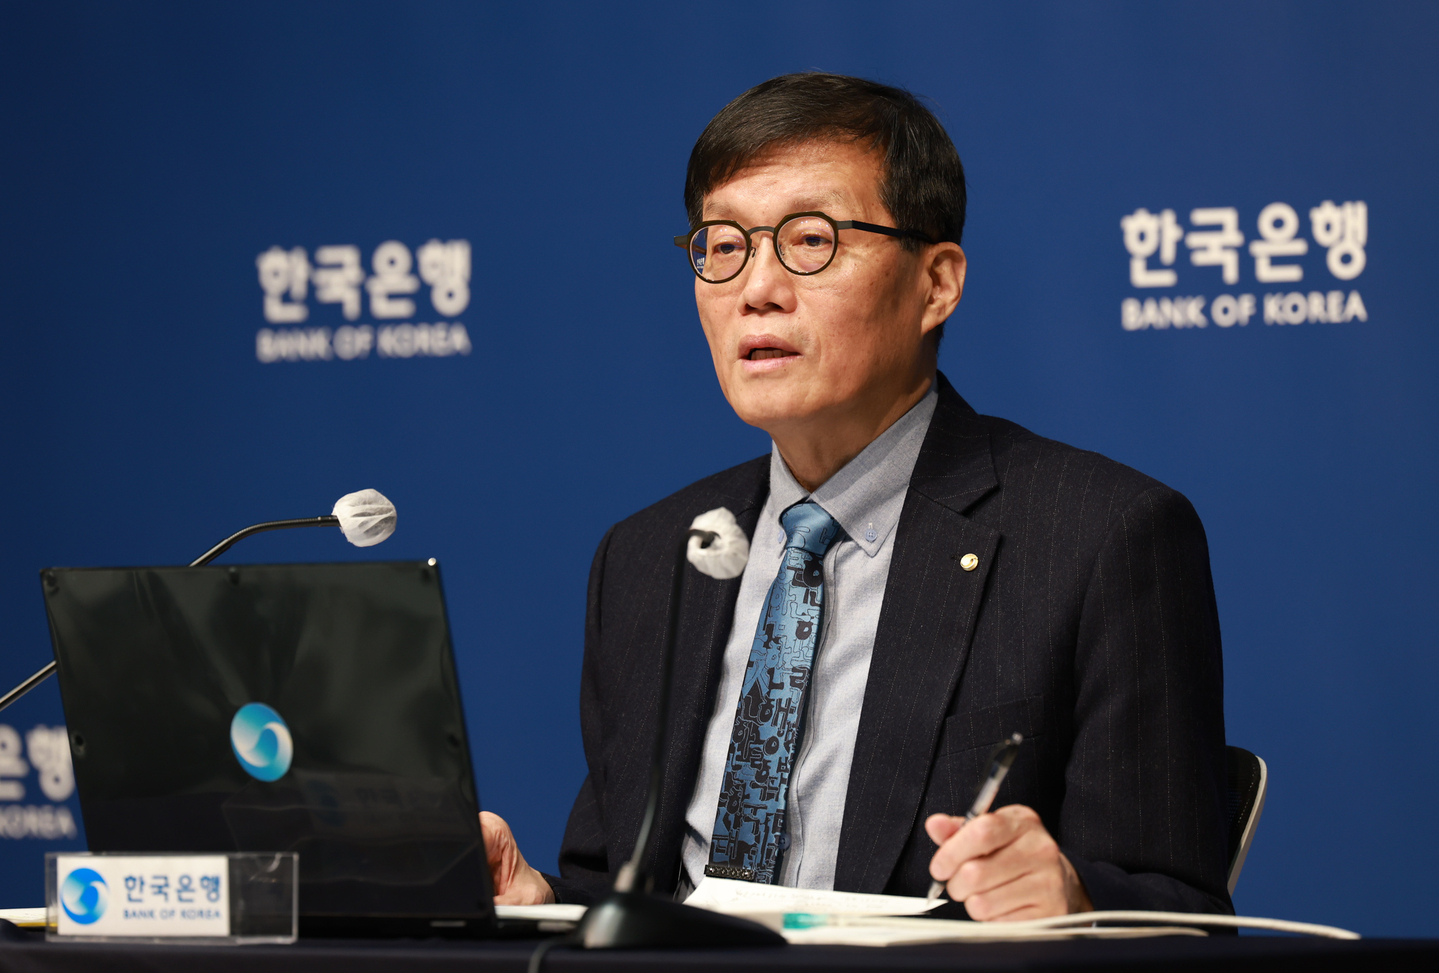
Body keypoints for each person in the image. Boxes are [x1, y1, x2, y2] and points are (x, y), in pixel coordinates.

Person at [480, 72, 1232, 921]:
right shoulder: (652, 555)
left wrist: (1070, 892)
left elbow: (1177, 904)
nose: (754, 287)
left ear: (936, 284)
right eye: (723, 245)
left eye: (810, 239)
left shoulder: (1098, 537)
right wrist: (535, 900)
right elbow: (617, 885)